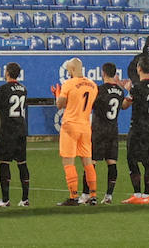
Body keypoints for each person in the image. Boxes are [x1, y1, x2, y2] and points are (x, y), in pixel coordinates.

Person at [54, 57, 98, 206]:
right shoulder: (93, 85)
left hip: (70, 126)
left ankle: (73, 196)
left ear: (72, 70)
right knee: (87, 161)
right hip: (85, 126)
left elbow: (60, 104)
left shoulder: (69, 84)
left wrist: (57, 94)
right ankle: (93, 195)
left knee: (68, 161)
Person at [0, 62, 30, 207]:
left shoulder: (3, 89)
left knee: (4, 163)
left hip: (8, 131)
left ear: (7, 73)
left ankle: (5, 200)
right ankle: (25, 199)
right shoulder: (23, 89)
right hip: (21, 129)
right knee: (22, 163)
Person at [123, 59, 149, 204]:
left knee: (132, 160)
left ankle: (138, 195)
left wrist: (128, 89)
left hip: (138, 128)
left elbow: (125, 105)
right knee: (147, 162)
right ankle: (146, 195)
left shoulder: (138, 87)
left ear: (139, 68)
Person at [92, 62, 128, 204]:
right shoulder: (120, 92)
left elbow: (91, 105)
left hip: (99, 129)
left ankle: (91, 195)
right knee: (111, 162)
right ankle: (109, 196)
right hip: (113, 130)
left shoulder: (99, 90)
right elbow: (123, 106)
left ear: (104, 73)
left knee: (92, 162)